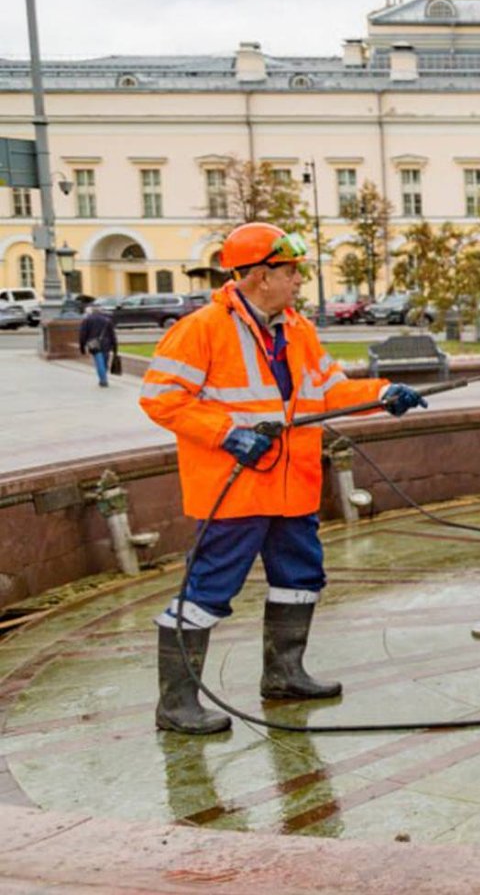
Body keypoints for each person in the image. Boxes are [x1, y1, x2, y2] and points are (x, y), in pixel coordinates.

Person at [139, 222, 428, 734]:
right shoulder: (204, 327)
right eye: (290, 271)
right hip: (236, 489)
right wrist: (227, 433)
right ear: (256, 275)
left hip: (292, 487)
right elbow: (161, 397)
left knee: (300, 579)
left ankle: (284, 674)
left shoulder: (297, 329)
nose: (299, 281)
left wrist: (383, 395)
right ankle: (176, 703)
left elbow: (328, 390)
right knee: (207, 590)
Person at [79, 298, 117, 388]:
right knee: (104, 362)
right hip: (107, 344)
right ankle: (103, 377)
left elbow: (82, 334)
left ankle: (103, 380)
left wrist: (82, 347)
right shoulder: (107, 320)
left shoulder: (87, 320)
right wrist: (115, 346)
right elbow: (112, 334)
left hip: (94, 344)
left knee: (99, 362)